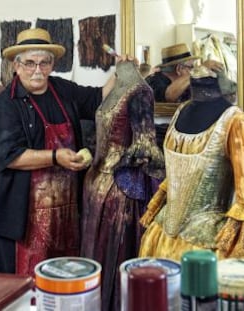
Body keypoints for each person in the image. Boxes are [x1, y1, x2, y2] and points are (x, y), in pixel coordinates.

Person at [0, 28, 119, 276]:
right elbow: (11, 157)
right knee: (25, 287)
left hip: (65, 214)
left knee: (62, 278)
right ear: (16, 65)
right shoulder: (5, 104)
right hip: (23, 217)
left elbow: (99, 98)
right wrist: (57, 157)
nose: (38, 70)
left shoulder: (62, 90)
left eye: (44, 62)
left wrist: (120, 71)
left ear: (52, 64)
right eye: (30, 63)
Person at [80, 59, 165, 311]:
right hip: (106, 186)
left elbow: (143, 146)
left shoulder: (138, 91)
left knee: (111, 255)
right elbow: (139, 146)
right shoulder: (126, 88)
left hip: (112, 186)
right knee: (101, 256)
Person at [139, 65, 244, 260]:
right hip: (162, 232)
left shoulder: (233, 120)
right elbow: (175, 177)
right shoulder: (181, 110)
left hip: (204, 245)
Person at [146, 43, 224, 103]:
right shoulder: (154, 81)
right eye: (191, 67)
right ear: (179, 69)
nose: (192, 70)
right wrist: (198, 70)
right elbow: (169, 96)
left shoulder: (185, 85)